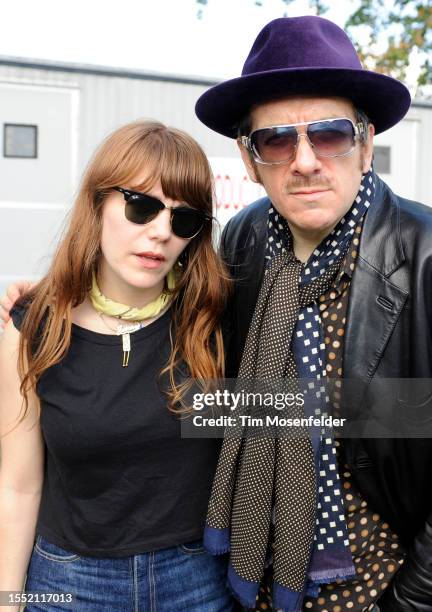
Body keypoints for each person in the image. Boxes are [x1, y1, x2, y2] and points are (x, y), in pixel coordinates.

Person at [193, 15, 432, 612]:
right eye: (276, 140)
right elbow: (173, 319)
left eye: (328, 135)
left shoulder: (425, 253)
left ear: (367, 142)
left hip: (382, 588)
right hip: (256, 587)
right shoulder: (244, 241)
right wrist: (63, 297)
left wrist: (407, 602)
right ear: (250, 160)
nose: (304, 161)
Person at [0, 120, 235, 611]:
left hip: (195, 581)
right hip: (67, 584)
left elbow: (297, 412)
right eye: (141, 206)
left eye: (184, 218)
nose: (161, 233)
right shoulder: (35, 329)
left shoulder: (213, 319)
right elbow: (18, 486)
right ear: (98, 202)